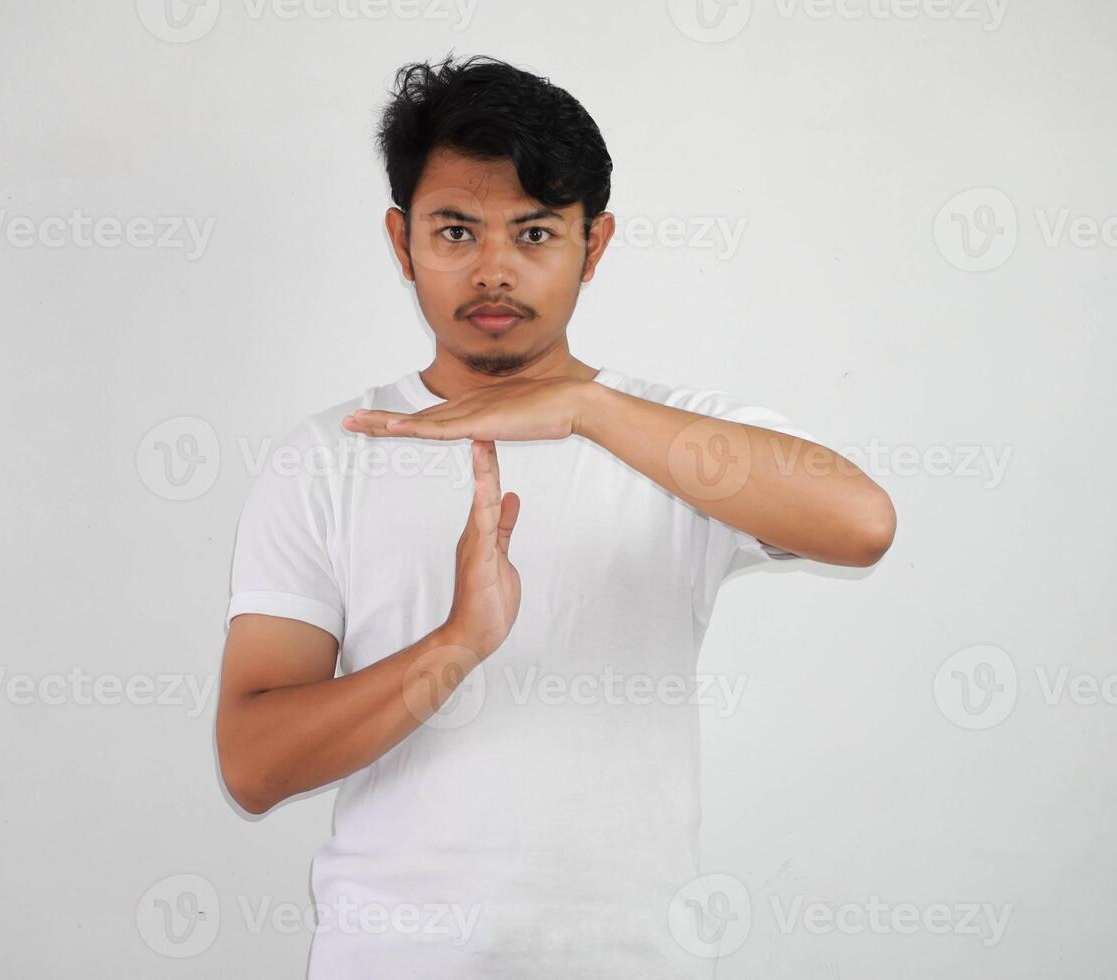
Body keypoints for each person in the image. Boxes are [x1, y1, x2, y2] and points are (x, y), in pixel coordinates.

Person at [215, 53, 896, 978]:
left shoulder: (671, 439)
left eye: (534, 234)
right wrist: (455, 645)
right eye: (455, 230)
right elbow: (253, 766)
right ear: (400, 238)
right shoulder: (330, 455)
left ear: (595, 243)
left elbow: (862, 525)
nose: (493, 270)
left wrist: (584, 410)